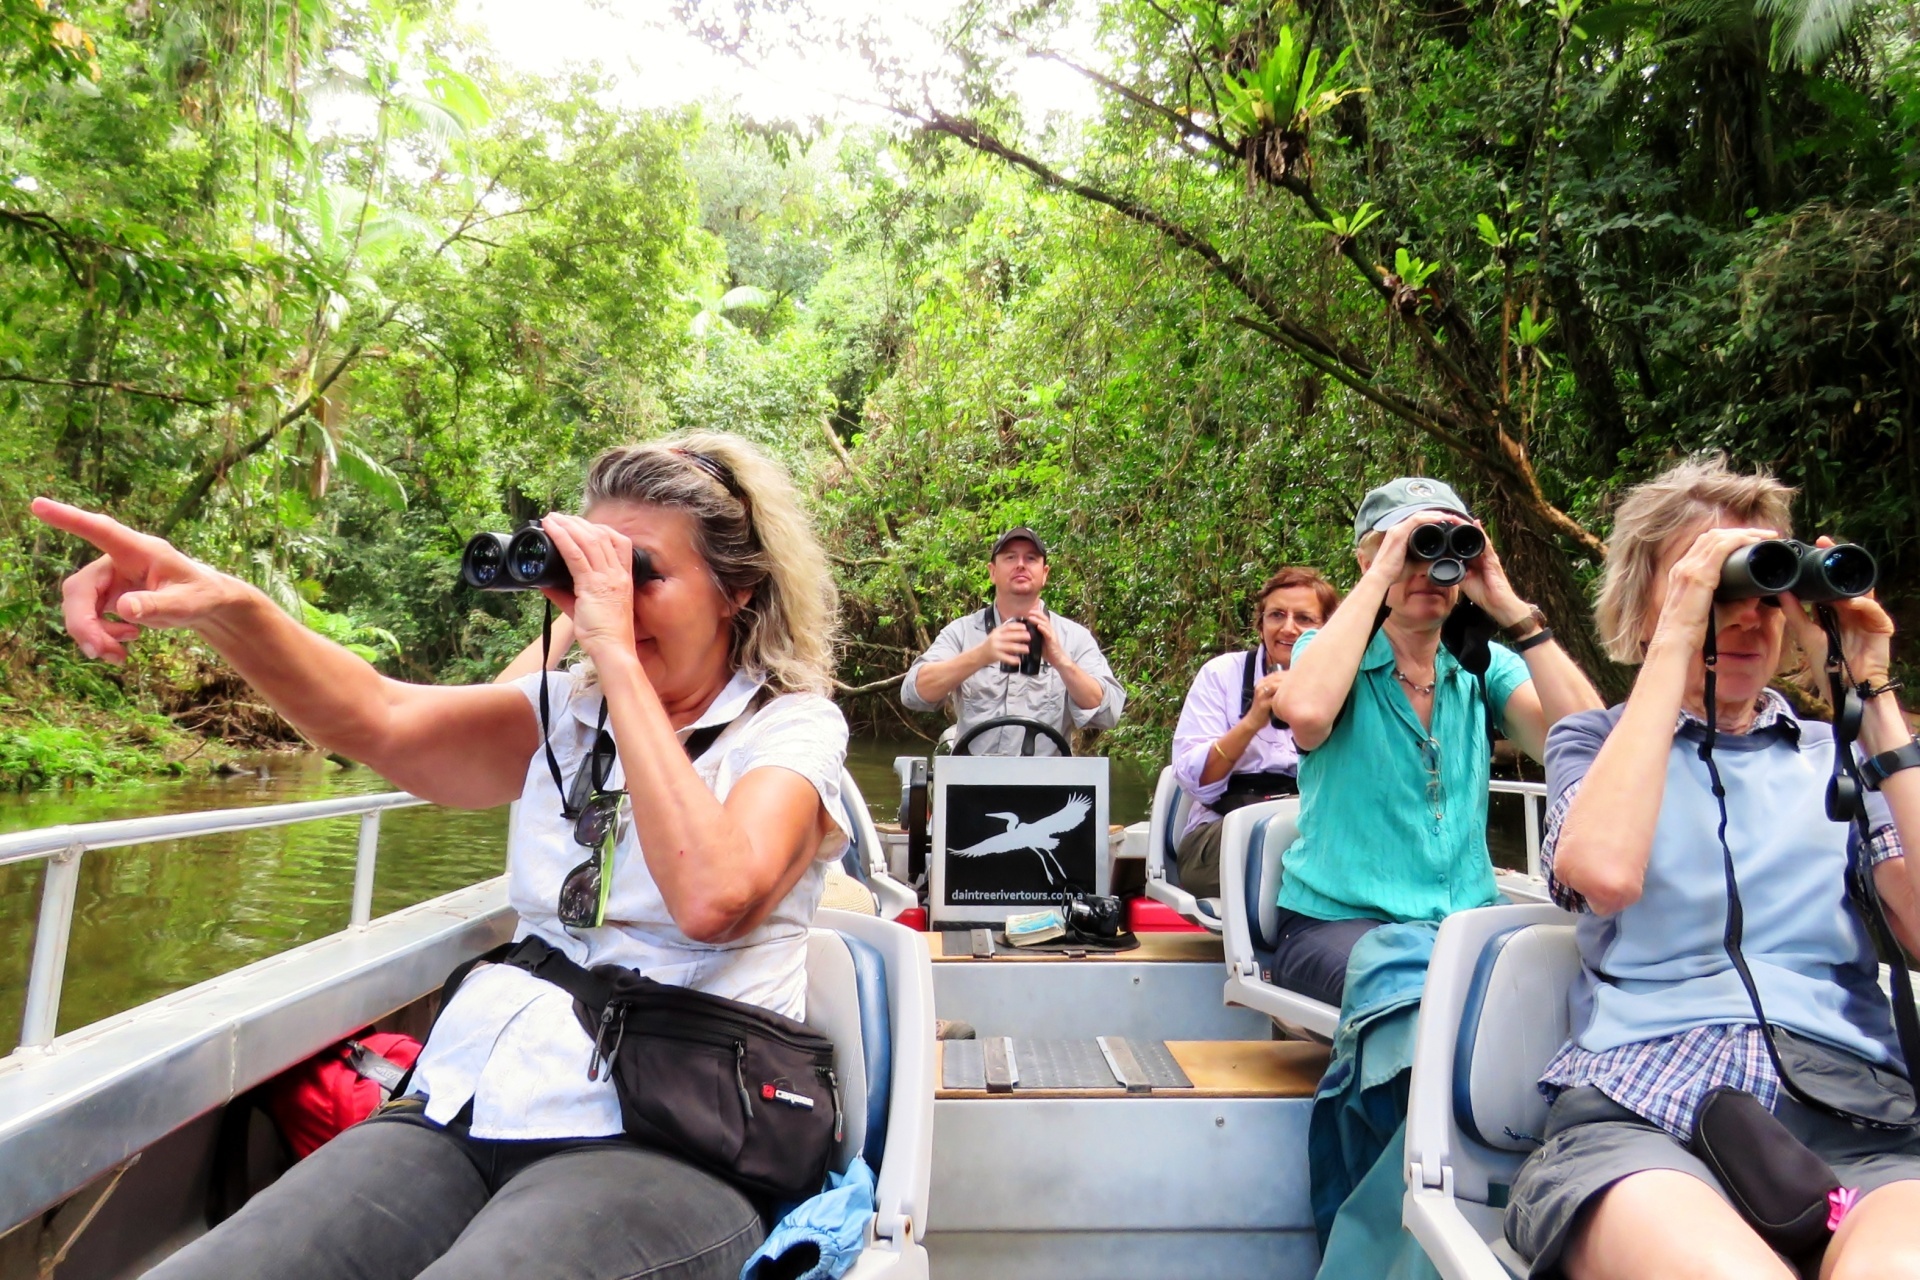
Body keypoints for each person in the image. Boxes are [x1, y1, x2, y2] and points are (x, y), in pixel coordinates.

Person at [35, 431, 848, 1280]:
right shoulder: (564, 718)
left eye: (640, 574)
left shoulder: (792, 729)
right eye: (588, 576)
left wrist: (609, 643)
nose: (606, 601)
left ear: (738, 590)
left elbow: (715, 899)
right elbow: (379, 719)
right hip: (470, 1107)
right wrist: (223, 606)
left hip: (672, 1139)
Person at [1506, 458, 1920, 1280]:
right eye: (1717, 586)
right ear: (1646, 604)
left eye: (1767, 589)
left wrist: (1870, 690)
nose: (1746, 616)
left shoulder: (1835, 756)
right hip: (1647, 1112)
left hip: (1855, 1112)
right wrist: (1676, 632)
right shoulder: (1594, 743)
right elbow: (1604, 873)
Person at [1271, 477, 1602, 1005]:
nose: (1427, 568)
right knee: (1430, 1005)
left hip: (1462, 923)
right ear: (1367, 563)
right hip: (1341, 924)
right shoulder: (1326, 654)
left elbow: (1590, 748)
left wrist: (1509, 606)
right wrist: (1386, 568)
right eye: (1409, 549)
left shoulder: (1480, 667)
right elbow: (1307, 715)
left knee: (1571, 990)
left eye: (1445, 547)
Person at [1169, 566, 1341, 898]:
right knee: (1289, 855)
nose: (1288, 628)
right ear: (1260, 624)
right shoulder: (1222, 675)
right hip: (1224, 832)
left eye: (1304, 619)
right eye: (1277, 615)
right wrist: (1252, 722)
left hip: (1315, 829)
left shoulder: (1348, 686)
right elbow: (1194, 781)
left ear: (1326, 629)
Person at [901, 526, 1125, 756]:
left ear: (1045, 573)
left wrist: (1061, 661)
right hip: (973, 783)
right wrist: (982, 655)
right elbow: (913, 695)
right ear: (992, 572)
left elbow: (1109, 714)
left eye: (1031, 558)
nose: (1020, 564)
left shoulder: (1074, 638)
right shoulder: (962, 632)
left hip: (1047, 786)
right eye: (1010, 557)